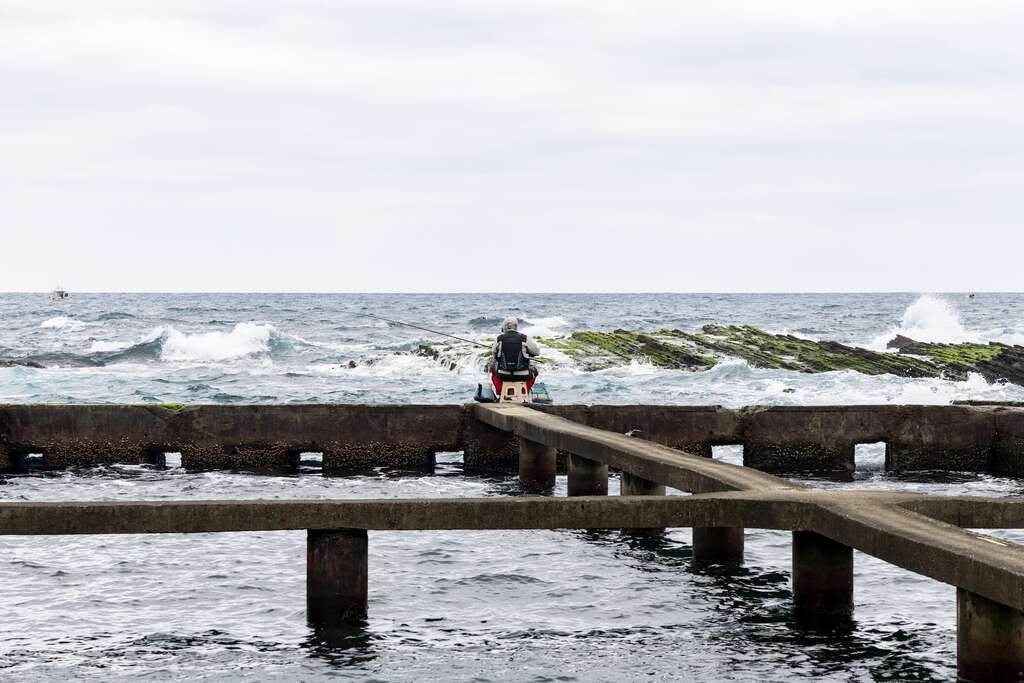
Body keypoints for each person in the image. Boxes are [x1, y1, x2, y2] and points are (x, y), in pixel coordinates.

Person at [490, 317, 540, 394]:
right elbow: (537, 352)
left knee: (492, 368)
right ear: (516, 327)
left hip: (503, 375)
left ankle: (500, 391)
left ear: (504, 327)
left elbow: (493, 353)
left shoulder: (499, 339)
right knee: (535, 371)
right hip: (523, 375)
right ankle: (525, 391)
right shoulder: (524, 338)